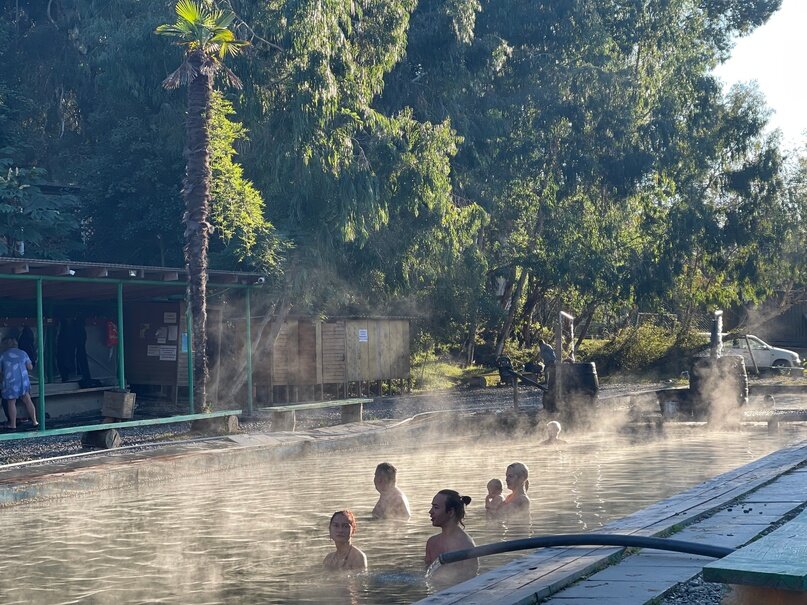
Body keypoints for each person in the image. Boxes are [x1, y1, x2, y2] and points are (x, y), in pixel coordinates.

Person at [425, 489, 478, 583]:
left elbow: (471, 582)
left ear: (451, 512)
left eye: (436, 507)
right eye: (432, 507)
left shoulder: (466, 546)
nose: (430, 511)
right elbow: (426, 577)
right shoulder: (431, 542)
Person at [0, 336, 39, 430]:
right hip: (23, 380)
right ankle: (34, 421)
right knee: (28, 400)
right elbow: (30, 367)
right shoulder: (23, 353)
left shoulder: (3, 355)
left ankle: (13, 424)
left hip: (10, 382)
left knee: (11, 402)